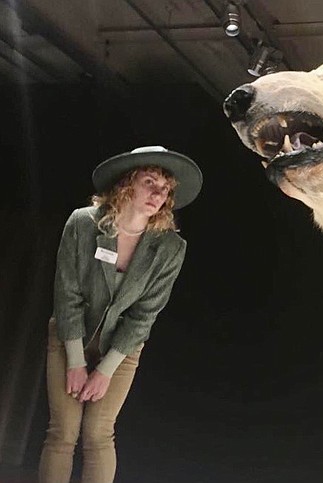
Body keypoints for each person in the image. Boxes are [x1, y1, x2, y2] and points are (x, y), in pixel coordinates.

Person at [39, 146, 202, 483]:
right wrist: (75, 361)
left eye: (165, 189)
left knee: (98, 433)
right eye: (150, 182)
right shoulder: (83, 223)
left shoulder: (170, 248)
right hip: (72, 334)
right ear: (127, 183)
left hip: (122, 346)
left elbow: (145, 314)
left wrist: (105, 371)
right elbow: (66, 293)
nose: (158, 194)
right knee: (63, 432)